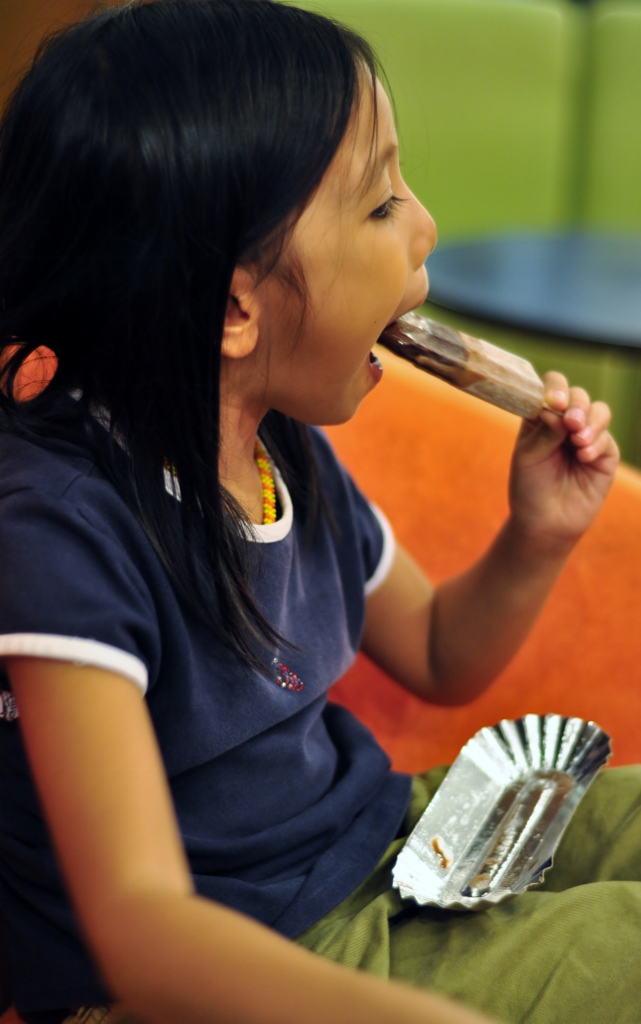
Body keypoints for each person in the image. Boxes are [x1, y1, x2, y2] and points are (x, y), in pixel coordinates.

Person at [0, 2, 634, 1023]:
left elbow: (439, 651)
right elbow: (141, 930)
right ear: (235, 308)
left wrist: (536, 533)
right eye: (380, 204)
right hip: (249, 959)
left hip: (379, 843)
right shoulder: (58, 531)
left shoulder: (277, 449)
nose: (425, 227)